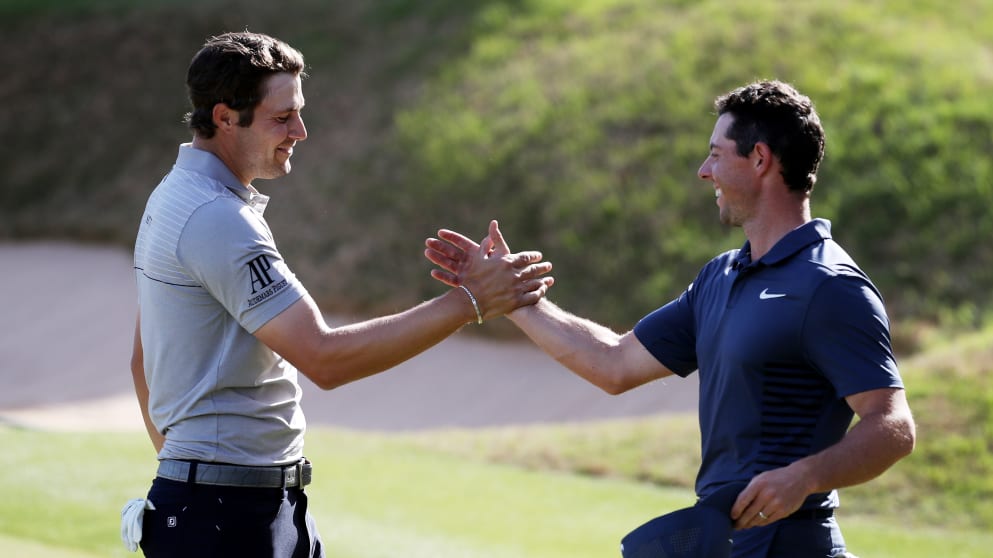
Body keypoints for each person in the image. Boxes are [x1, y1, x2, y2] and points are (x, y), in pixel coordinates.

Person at [426, 80, 916, 557]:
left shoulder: (830, 286)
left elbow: (893, 425)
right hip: (723, 543)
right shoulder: (720, 276)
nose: (704, 171)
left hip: (794, 544)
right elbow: (613, 363)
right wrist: (515, 297)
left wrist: (806, 476)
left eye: (716, 154)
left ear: (761, 159)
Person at [126, 31, 553, 558]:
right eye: (282, 118)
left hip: (230, 507)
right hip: (226, 516)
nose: (301, 131)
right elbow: (325, 359)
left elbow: (141, 363)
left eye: (299, 113)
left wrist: (182, 477)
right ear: (224, 117)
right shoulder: (216, 218)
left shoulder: (173, 196)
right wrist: (469, 301)